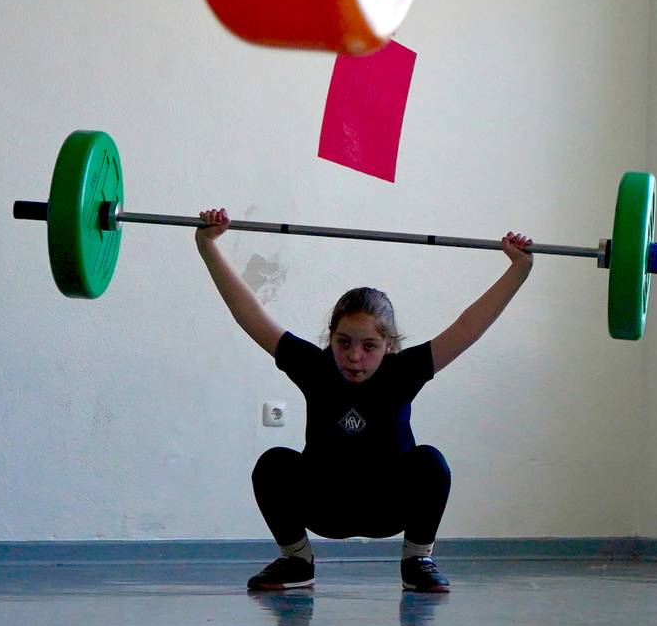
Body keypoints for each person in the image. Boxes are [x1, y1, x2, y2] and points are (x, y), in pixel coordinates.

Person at [196, 210, 533, 594]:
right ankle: (296, 560)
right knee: (273, 465)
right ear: (331, 337)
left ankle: (417, 559)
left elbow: (469, 325)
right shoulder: (314, 367)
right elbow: (249, 314)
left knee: (431, 464)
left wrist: (518, 271)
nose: (354, 356)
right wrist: (208, 246)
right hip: (326, 506)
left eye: (369, 346)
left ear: (389, 345)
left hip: (387, 506)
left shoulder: (403, 372)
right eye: (344, 343)